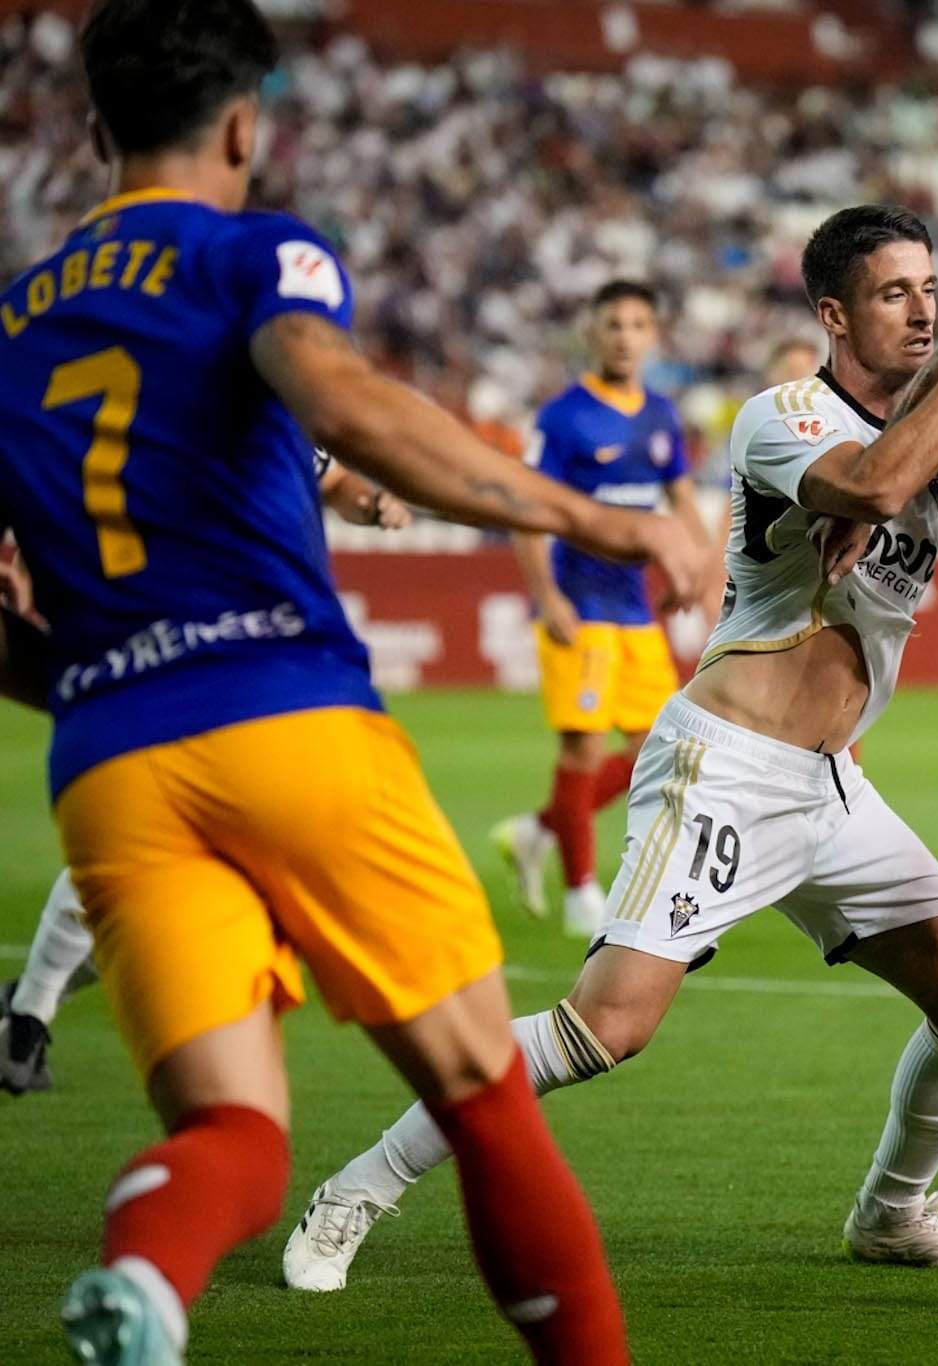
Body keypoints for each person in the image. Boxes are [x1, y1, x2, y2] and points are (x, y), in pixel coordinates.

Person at [0, 0, 710, 1357]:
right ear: (245, 125)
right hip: (285, 716)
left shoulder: (12, 330)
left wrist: (93, 680)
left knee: (232, 1136)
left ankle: (147, 1281)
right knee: (483, 1094)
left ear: (93, 130)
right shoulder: (256, 251)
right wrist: (601, 518)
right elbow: (343, 398)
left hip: (105, 761)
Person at [282, 205, 938, 1289]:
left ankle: (891, 1214)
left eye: (931, 286)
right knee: (606, 1027)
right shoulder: (781, 415)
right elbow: (877, 483)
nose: (925, 307)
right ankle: (357, 1186)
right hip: (726, 766)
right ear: (832, 313)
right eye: (894, 291)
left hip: (831, 787)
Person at [0, 458, 410, 1098]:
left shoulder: (268, 395)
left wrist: (372, 500)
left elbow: (332, 479)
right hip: (189, 645)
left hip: (277, 661)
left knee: (195, 874)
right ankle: (30, 1017)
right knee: (161, 849)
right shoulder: (174, 400)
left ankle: (29, 1005)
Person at [492, 281, 718, 936]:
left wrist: (697, 570)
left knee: (657, 749)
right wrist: (546, 595)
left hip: (635, 608)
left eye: (638, 324)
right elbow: (525, 509)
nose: (625, 336)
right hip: (581, 604)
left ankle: (540, 829)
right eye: (613, 323)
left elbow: (679, 501)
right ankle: (582, 894)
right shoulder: (563, 418)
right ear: (592, 333)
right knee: (584, 750)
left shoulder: (661, 416)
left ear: (654, 336)